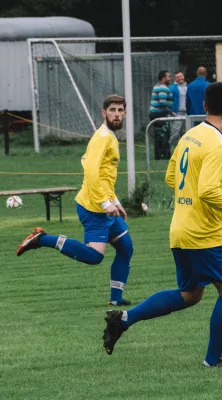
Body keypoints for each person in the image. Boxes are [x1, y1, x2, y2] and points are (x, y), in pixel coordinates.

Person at [103, 82, 222, 368]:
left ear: (204, 106)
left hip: (180, 229)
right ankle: (212, 361)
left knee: (190, 294)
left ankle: (125, 319)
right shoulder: (216, 144)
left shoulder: (190, 135)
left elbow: (170, 177)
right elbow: (208, 191)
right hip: (205, 234)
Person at [16, 94, 134, 306]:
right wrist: (105, 203)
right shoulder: (102, 137)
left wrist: (115, 201)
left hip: (104, 204)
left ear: (125, 113)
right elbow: (90, 170)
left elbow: (105, 175)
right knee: (94, 257)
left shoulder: (111, 137)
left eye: (120, 110)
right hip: (93, 208)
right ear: (104, 113)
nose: (116, 114)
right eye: (112, 110)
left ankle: (116, 300)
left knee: (126, 248)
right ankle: (41, 239)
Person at [149, 70, 175, 159]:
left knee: (159, 135)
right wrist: (170, 111)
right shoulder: (162, 88)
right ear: (163, 78)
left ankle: (158, 155)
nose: (170, 78)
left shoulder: (158, 86)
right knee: (164, 134)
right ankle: (166, 155)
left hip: (155, 113)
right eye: (168, 77)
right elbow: (163, 102)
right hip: (159, 114)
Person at [169, 71, 188, 149]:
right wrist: (172, 111)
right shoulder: (172, 88)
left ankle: (184, 149)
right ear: (175, 78)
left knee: (186, 132)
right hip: (177, 113)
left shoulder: (187, 86)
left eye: (181, 76)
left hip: (187, 112)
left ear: (183, 76)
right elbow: (169, 100)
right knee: (175, 132)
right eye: (177, 77)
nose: (180, 78)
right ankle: (170, 148)